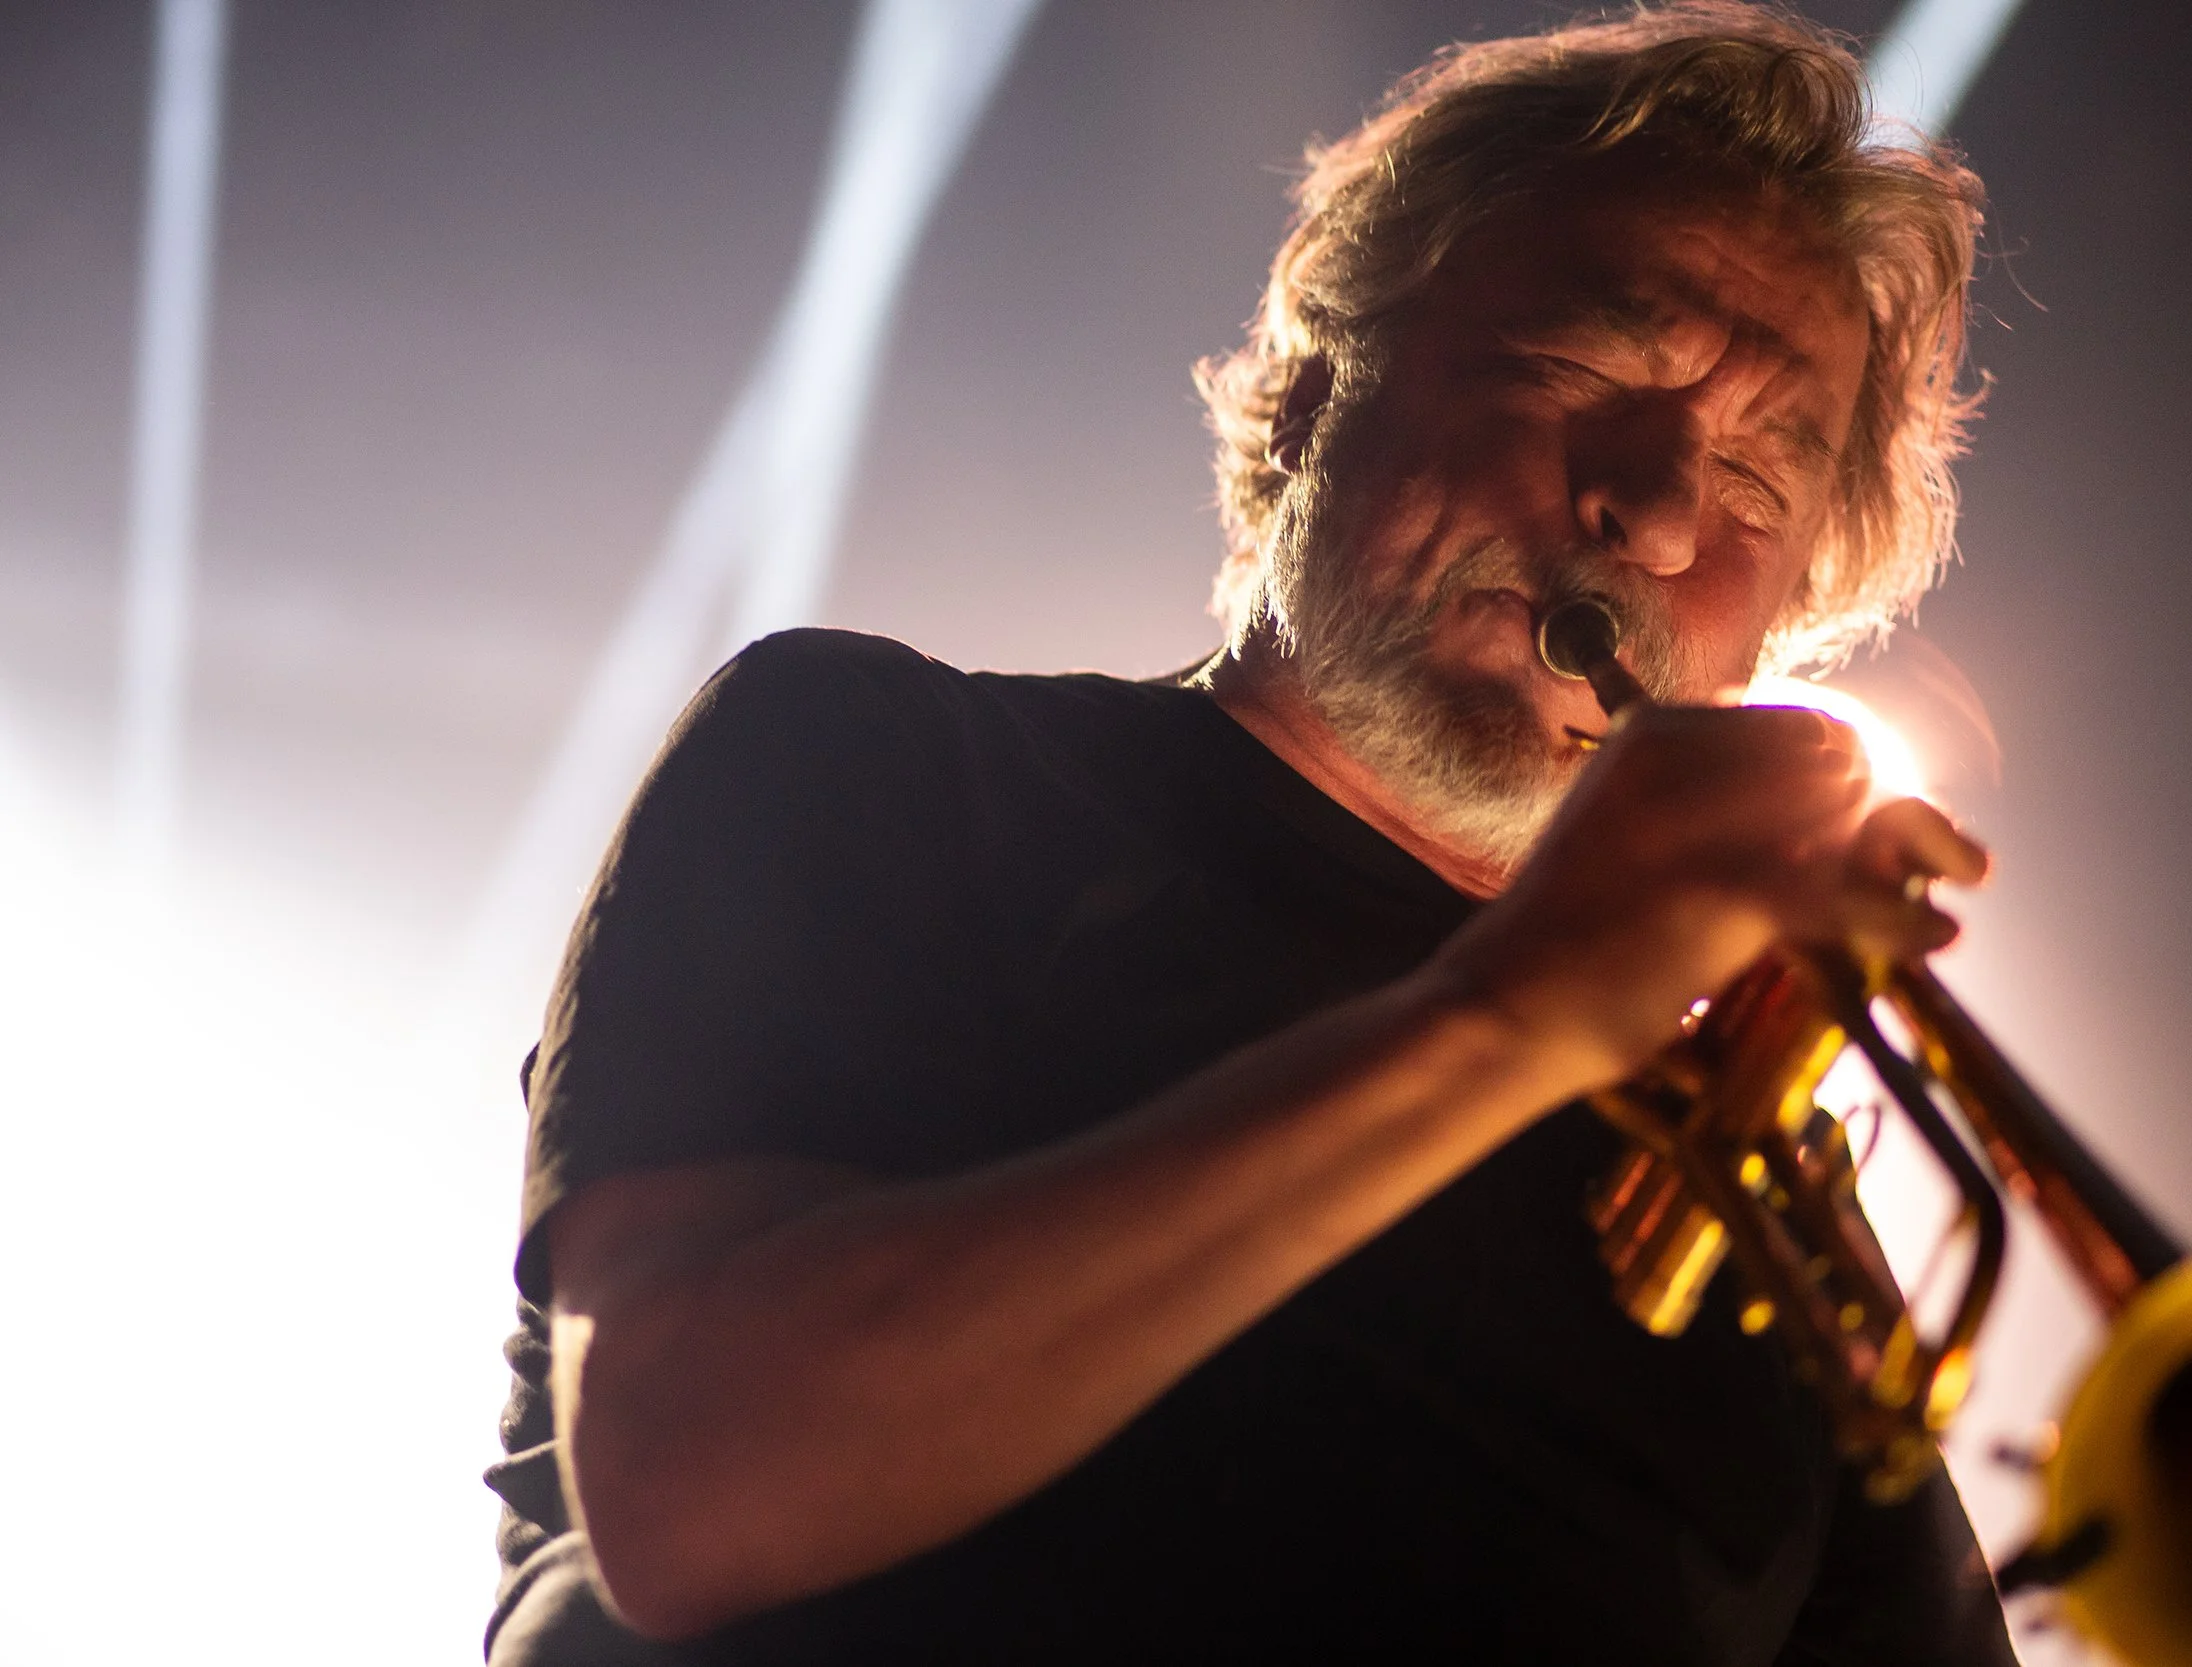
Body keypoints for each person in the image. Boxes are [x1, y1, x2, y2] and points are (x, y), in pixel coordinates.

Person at [483, 5, 2013, 1661]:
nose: (1649, 512)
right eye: (1574, 367)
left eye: (1757, 485)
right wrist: (1507, 1017)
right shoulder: (881, 757)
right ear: (1308, 402)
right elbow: (688, 1479)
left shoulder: (1766, 1194)